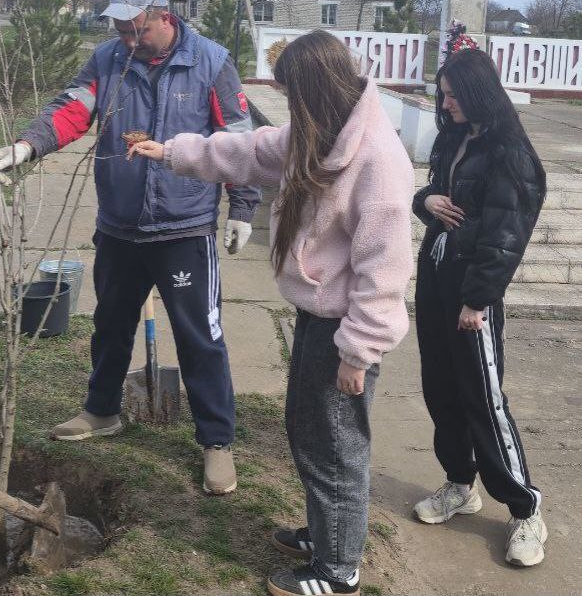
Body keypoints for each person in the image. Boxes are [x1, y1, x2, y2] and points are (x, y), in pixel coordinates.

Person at [129, 30, 415, 596]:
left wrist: (359, 353)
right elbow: (249, 151)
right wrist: (172, 152)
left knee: (336, 447)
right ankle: (326, 534)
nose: (289, 107)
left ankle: (339, 572)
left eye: (292, 95)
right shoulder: (320, 132)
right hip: (318, 317)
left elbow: (385, 271)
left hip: (345, 330)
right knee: (309, 433)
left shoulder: (379, 160)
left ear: (315, 90)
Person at [0, 0, 261, 495]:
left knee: (201, 337)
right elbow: (72, 109)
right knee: (110, 324)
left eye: (137, 31)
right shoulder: (108, 59)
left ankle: (216, 442)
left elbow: (239, 142)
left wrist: (242, 208)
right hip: (119, 226)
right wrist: (28, 146)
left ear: (164, 16)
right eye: (121, 32)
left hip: (184, 227)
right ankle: (101, 410)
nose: (129, 42)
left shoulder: (210, 62)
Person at [412, 46, 548, 566]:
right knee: (441, 389)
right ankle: (459, 484)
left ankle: (524, 509)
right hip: (436, 280)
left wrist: (478, 300)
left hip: (474, 295)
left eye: (452, 95)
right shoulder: (453, 138)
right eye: (442, 95)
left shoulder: (509, 150)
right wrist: (424, 201)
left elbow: (506, 235)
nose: (445, 104)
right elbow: (435, 196)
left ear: (476, 92)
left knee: (483, 399)